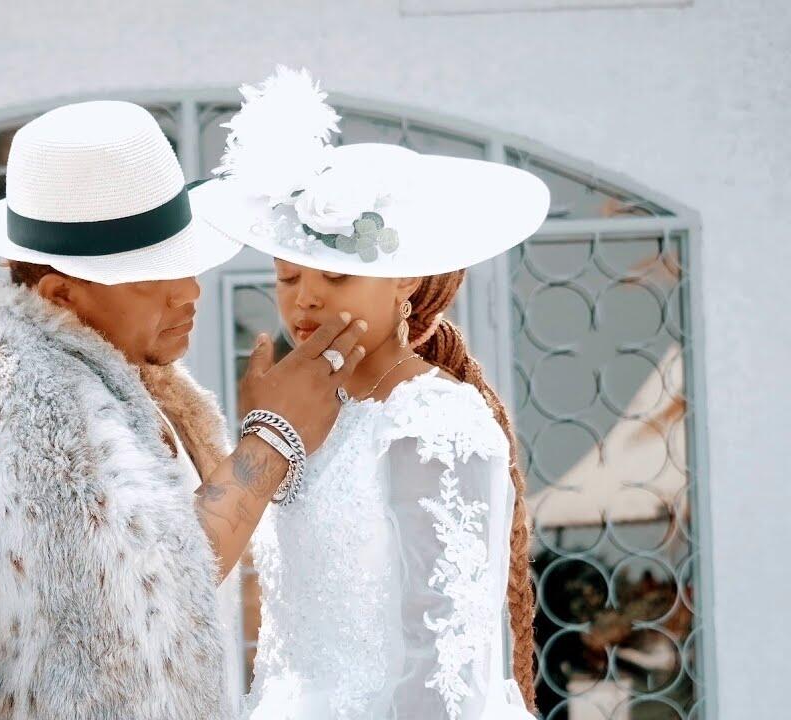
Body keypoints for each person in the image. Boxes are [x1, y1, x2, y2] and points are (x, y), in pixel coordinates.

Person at [0, 99, 367, 719]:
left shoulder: (135, 383)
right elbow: (138, 594)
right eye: (148, 277)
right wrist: (270, 441)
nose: (189, 291)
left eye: (183, 264)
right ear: (60, 293)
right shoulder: (10, 387)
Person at [196, 67, 550, 719]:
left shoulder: (432, 418)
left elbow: (442, 663)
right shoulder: (306, 413)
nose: (305, 299)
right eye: (287, 277)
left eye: (335, 276)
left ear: (405, 281)